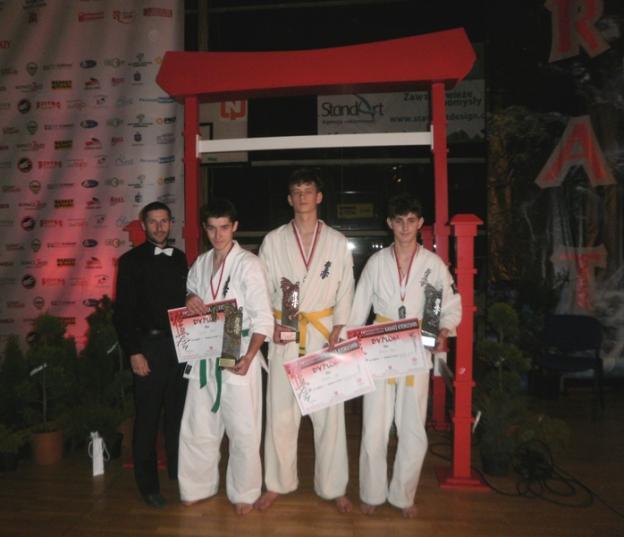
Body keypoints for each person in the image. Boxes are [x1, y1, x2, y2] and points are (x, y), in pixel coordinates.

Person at [346, 193, 461, 518]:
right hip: (380, 345)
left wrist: (443, 330)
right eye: (399, 221)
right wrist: (349, 344)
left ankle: (403, 495)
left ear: (420, 223)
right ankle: (371, 492)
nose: (405, 227)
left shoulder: (433, 265)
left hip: (416, 345)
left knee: (412, 425)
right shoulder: (376, 262)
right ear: (390, 224)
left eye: (411, 221)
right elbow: (358, 307)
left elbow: (448, 305)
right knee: (374, 424)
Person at [256, 168, 355, 513]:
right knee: (280, 413)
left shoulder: (337, 241)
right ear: (289, 199)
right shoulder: (273, 241)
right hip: (285, 332)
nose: (302, 197)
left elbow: (346, 287)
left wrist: (341, 325)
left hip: (323, 333)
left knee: (329, 415)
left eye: (308, 191)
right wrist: (269, 323)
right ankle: (277, 483)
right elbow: (262, 288)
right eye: (296, 192)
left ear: (319, 197)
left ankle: (333, 486)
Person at [178, 199, 273, 515]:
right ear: (205, 229)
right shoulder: (201, 262)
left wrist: (251, 355)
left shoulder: (249, 264)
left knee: (243, 428)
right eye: (211, 228)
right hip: (203, 349)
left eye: (224, 228)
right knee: (198, 424)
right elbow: (190, 290)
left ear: (235, 227)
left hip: (237, 347)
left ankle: (244, 492)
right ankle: (196, 486)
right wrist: (190, 297)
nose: (218, 235)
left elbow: (263, 316)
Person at [113, 201, 189, 509]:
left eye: (164, 221)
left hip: (180, 346)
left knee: (177, 416)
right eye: (153, 222)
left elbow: (186, 299)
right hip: (148, 348)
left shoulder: (180, 258)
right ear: (143, 225)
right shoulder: (130, 261)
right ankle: (148, 487)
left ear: (171, 223)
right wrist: (134, 352)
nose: (159, 227)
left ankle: (178, 474)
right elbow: (122, 314)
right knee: (147, 420)